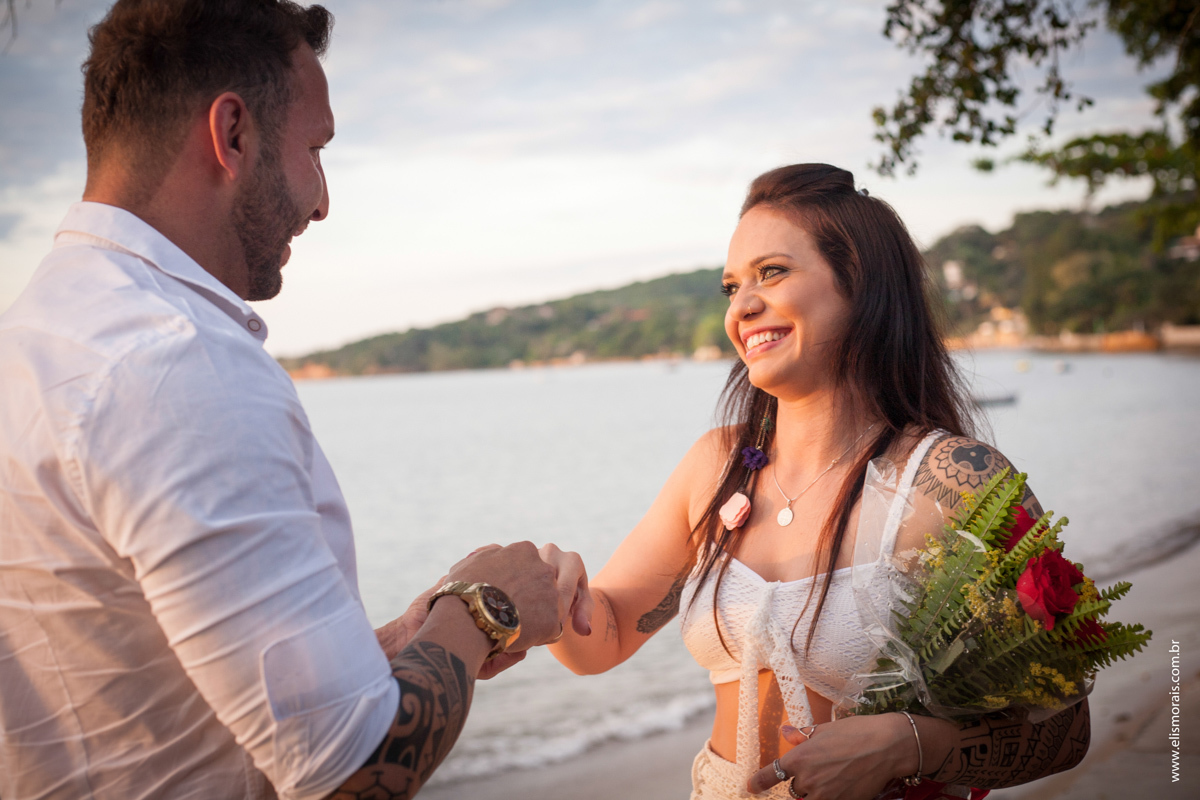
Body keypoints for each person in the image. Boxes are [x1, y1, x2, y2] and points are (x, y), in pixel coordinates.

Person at [0, 2, 590, 799]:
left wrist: (402, 644)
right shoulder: (178, 364)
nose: (321, 202)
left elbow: (160, 694)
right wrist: (481, 609)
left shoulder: (39, 336)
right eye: (315, 149)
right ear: (233, 133)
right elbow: (352, 773)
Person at [544, 164, 1090, 799]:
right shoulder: (715, 467)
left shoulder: (954, 482)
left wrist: (907, 745)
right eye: (731, 287)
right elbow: (604, 634)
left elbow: (1067, 730)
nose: (743, 307)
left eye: (771, 273)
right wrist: (556, 600)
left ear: (862, 282)